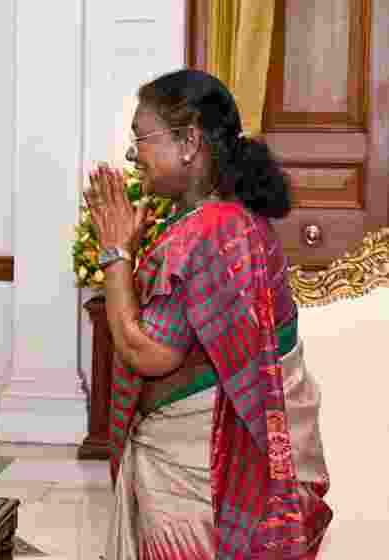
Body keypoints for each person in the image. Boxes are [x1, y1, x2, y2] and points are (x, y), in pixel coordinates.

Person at [84, 69, 332, 559]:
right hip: (191, 464)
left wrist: (114, 254)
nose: (133, 154)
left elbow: (146, 353)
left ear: (189, 142)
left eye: (142, 138)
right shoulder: (221, 219)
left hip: (199, 475)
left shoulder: (213, 230)